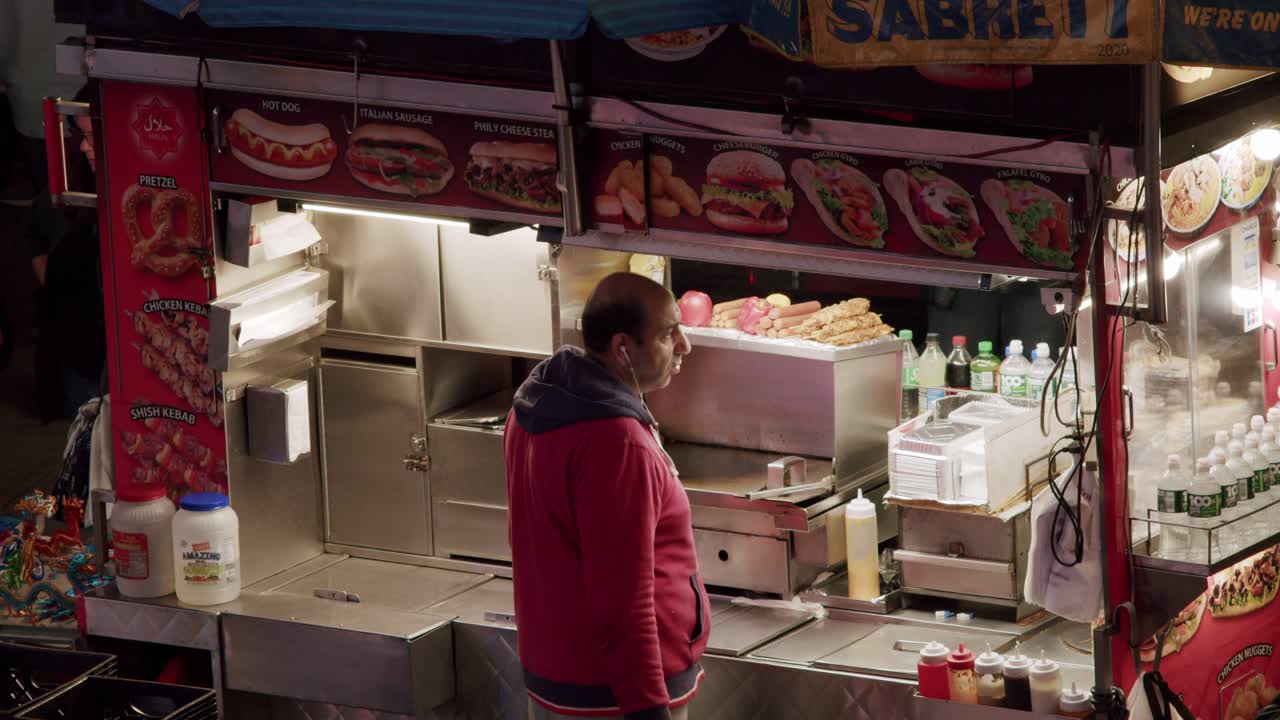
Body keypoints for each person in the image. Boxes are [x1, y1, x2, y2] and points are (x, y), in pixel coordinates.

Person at [504, 272, 705, 720]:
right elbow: (624, 602)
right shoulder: (618, 443)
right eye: (669, 334)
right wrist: (648, 710)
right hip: (614, 697)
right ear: (622, 347)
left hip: (557, 675)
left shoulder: (534, 409)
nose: (685, 346)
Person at [34, 83, 103, 419]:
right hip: (80, 347)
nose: (87, 146)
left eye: (94, 136)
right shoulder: (69, 181)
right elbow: (34, 232)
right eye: (82, 134)